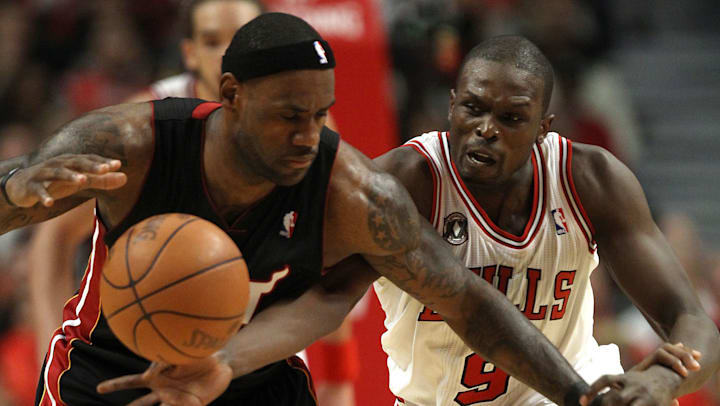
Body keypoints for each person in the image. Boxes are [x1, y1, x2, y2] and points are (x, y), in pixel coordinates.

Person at [2, 14, 603, 406]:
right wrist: (11, 197)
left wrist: (578, 396)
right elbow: (15, 194)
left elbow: (468, 302)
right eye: (290, 115)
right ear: (231, 94)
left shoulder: (349, 189)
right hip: (108, 370)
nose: (309, 136)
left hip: (252, 376)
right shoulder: (134, 143)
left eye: (320, 115)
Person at [247, 35, 716, 405]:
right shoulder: (408, 182)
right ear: (451, 105)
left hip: (570, 392)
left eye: (511, 118)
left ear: (543, 128)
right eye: (473, 108)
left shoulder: (590, 180)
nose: (486, 129)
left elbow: (693, 321)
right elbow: (325, 297)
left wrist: (660, 383)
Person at [28, 2, 356, 404]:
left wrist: (341, 376)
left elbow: (329, 261)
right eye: (212, 40)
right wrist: (47, 344)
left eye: (240, 38)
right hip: (130, 353)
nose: (224, 55)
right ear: (189, 53)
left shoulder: (302, 130)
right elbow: (56, 236)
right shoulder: (142, 131)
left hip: (254, 352)